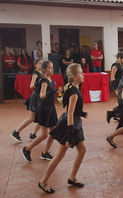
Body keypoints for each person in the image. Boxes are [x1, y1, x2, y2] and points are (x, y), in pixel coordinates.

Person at [39, 63, 87, 194]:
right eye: (81, 73)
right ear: (75, 76)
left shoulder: (72, 88)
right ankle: (43, 181)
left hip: (74, 123)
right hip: (70, 125)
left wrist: (81, 113)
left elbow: (73, 109)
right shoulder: (74, 92)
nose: (83, 75)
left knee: (82, 150)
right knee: (60, 155)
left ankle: (72, 177)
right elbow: (70, 113)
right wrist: (70, 134)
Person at [21, 60, 63, 162]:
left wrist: (59, 92)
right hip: (44, 109)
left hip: (51, 108)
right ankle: (27, 149)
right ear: (44, 70)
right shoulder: (44, 82)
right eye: (49, 68)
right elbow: (42, 95)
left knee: (53, 132)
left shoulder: (52, 81)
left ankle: (45, 152)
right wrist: (53, 91)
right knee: (44, 135)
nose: (52, 70)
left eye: (52, 68)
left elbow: (52, 94)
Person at [11, 58, 42, 143]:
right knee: (31, 118)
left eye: (42, 63)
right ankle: (16, 132)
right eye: (39, 63)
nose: (41, 65)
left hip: (40, 97)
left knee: (42, 118)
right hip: (35, 97)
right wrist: (39, 82)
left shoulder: (41, 74)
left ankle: (33, 134)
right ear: (35, 65)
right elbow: (31, 86)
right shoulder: (35, 74)